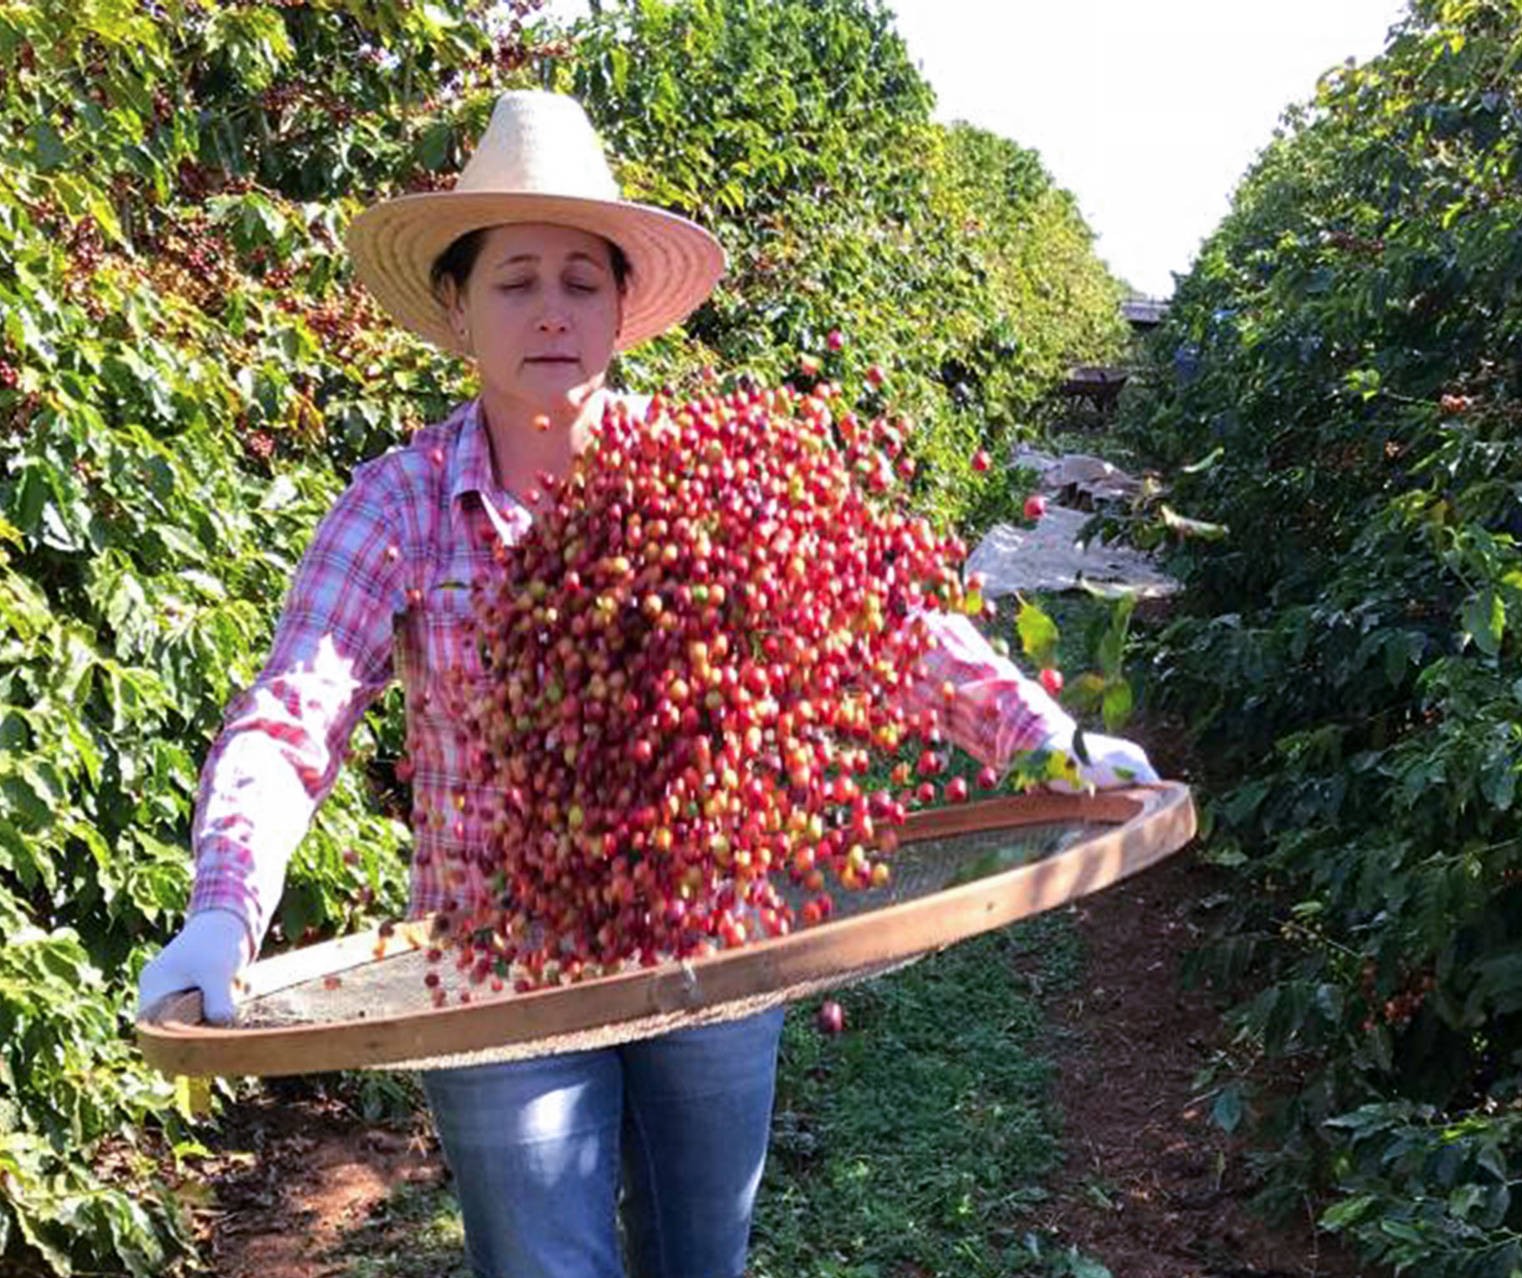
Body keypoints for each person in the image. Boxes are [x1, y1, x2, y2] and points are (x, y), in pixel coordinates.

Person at [138, 90, 1157, 1278]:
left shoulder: (708, 478)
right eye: (516, 280)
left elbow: (887, 624)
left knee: (701, 1256)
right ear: (460, 309)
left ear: (624, 308)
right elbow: (293, 711)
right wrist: (226, 907)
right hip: (496, 972)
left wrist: (1047, 741)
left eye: (582, 280)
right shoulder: (401, 502)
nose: (552, 311)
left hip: (709, 946)